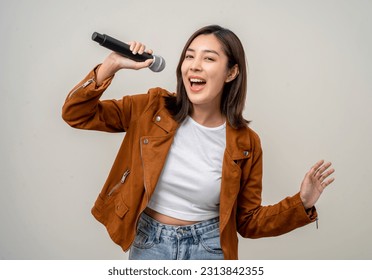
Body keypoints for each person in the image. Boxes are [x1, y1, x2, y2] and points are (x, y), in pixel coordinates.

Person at [62, 25, 335, 260]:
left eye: (209, 58)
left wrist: (302, 203)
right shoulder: (151, 107)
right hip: (149, 245)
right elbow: (76, 114)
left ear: (231, 73)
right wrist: (111, 65)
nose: (194, 65)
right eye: (189, 56)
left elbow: (248, 221)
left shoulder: (246, 142)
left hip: (210, 248)